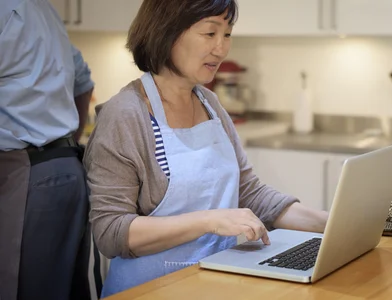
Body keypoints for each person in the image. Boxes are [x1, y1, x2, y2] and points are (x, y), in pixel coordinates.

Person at [82, 0, 329, 297]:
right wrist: (210, 221)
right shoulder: (126, 115)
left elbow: (249, 192)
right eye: (210, 33)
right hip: (149, 290)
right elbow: (111, 232)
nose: (221, 49)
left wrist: (332, 224)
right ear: (167, 32)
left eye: (227, 34)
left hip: (213, 283)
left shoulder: (209, 104)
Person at [0, 0, 96, 299]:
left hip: (25, 176)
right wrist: (65, 139)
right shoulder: (42, 9)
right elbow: (83, 83)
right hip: (65, 168)